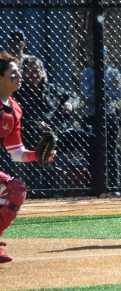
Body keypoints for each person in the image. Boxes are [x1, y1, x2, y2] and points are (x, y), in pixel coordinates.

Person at [0, 51, 55, 263]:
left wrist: (39, 156)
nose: (20, 76)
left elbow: (16, 152)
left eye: (19, 72)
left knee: (17, 190)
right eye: (13, 73)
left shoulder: (14, 110)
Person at [16, 56, 96, 187]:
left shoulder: (52, 89)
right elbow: (17, 120)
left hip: (61, 134)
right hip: (36, 138)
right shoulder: (19, 93)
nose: (34, 74)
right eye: (30, 71)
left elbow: (74, 96)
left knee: (93, 141)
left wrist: (70, 104)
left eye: (37, 70)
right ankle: (43, 190)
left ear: (42, 72)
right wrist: (35, 124)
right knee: (43, 153)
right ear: (23, 74)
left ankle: (95, 185)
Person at [80, 47, 121, 196]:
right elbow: (85, 97)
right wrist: (105, 90)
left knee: (111, 151)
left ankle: (113, 186)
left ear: (107, 57)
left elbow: (118, 93)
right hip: (91, 115)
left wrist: (97, 91)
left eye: (103, 56)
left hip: (109, 114)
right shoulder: (86, 73)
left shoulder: (113, 72)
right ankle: (94, 186)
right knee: (92, 151)